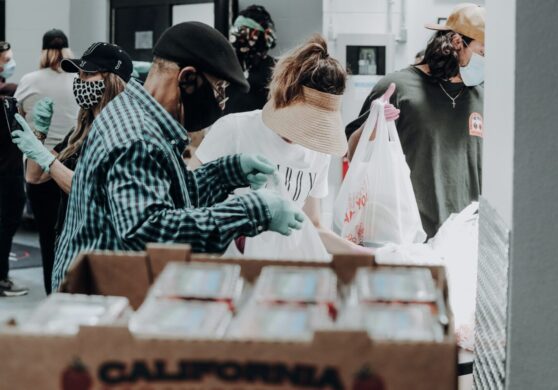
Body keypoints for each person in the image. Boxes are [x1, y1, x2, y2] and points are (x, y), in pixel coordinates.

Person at [50, 22, 304, 291]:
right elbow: (151, 233)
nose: (221, 103)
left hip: (108, 287)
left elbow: (170, 197)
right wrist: (254, 210)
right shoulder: (138, 138)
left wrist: (229, 171)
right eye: (219, 89)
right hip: (97, 303)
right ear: (188, 79)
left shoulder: (140, 115)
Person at [191, 35, 369, 255]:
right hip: (232, 268)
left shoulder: (317, 152)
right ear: (284, 98)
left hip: (285, 272)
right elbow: (191, 202)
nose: (304, 132)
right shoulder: (234, 131)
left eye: (315, 124)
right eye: (303, 119)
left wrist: (372, 256)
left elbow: (313, 226)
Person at [346, 3, 485, 238]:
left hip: (466, 239)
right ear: (457, 42)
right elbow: (353, 154)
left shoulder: (482, 96)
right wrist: (374, 124)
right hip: (406, 237)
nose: (487, 61)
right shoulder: (397, 88)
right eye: (484, 52)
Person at [11, 42, 132, 293]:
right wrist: (40, 134)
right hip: (70, 240)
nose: (80, 81)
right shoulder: (82, 130)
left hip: (99, 248)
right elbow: (34, 176)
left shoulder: (122, 133)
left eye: (88, 74)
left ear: (112, 80)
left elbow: (88, 190)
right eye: (79, 74)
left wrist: (47, 159)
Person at [12, 29, 79, 294]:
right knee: (70, 233)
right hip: (71, 165)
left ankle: (52, 293)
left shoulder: (29, 81)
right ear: (67, 51)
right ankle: (71, 290)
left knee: (47, 237)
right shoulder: (78, 80)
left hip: (38, 165)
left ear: (43, 51)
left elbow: (15, 116)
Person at [0, 41, 28, 297]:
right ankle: (2, 279)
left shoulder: (9, 91)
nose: (10, 62)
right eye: (6, 58)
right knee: (6, 224)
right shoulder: (9, 91)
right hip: (7, 171)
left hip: (10, 168)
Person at [224, 5, 277, 115]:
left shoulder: (275, 69)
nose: (238, 36)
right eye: (236, 30)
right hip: (228, 128)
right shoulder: (226, 65)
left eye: (243, 31)